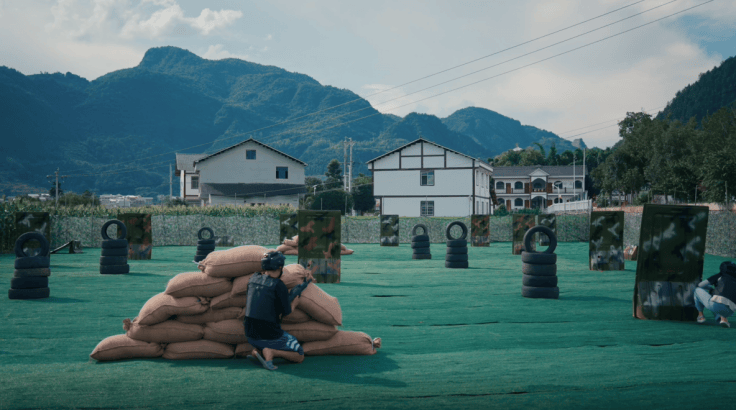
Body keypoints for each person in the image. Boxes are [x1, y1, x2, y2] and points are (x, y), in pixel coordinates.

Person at [244, 251, 311, 370]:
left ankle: (257, 352)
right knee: (299, 355)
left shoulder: (253, 279)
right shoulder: (279, 285)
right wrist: (294, 303)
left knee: (261, 341)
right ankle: (272, 353)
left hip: (250, 336)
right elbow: (286, 312)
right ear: (280, 268)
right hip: (270, 336)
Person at [695, 261, 736, 328]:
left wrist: (711, 289)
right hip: (731, 312)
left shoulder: (720, 275)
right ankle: (723, 319)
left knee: (697, 290)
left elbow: (700, 285)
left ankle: (701, 316)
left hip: (717, 305)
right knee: (716, 299)